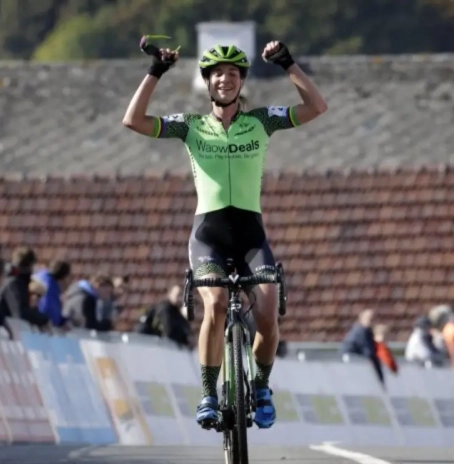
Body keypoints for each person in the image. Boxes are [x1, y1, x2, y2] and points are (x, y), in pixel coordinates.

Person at [123, 39, 327, 430]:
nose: (225, 80)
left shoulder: (262, 121)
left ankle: (262, 386)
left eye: (233, 74)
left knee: (267, 315)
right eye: (217, 74)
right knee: (215, 305)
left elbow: (317, 108)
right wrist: (156, 71)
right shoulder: (192, 126)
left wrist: (288, 64)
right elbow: (134, 121)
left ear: (242, 82)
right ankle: (208, 394)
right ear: (207, 82)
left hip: (251, 236)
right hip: (209, 236)